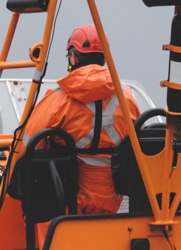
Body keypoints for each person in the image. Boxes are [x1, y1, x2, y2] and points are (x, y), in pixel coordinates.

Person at [22, 24, 138, 215]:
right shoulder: (128, 98)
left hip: (66, 205)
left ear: (74, 57)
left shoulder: (58, 100)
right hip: (114, 203)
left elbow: (27, 145)